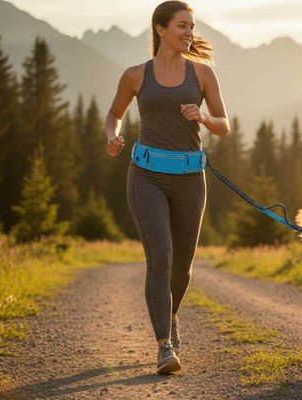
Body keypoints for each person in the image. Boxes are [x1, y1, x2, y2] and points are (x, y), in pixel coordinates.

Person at [104, 0, 229, 374]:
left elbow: (224, 124)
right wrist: (113, 136)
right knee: (160, 257)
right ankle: (164, 345)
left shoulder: (203, 74)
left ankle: (170, 317)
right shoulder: (135, 75)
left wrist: (203, 117)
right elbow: (114, 114)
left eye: (192, 26)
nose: (190, 32)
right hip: (147, 178)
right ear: (160, 30)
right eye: (182, 26)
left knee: (183, 266)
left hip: (191, 179)